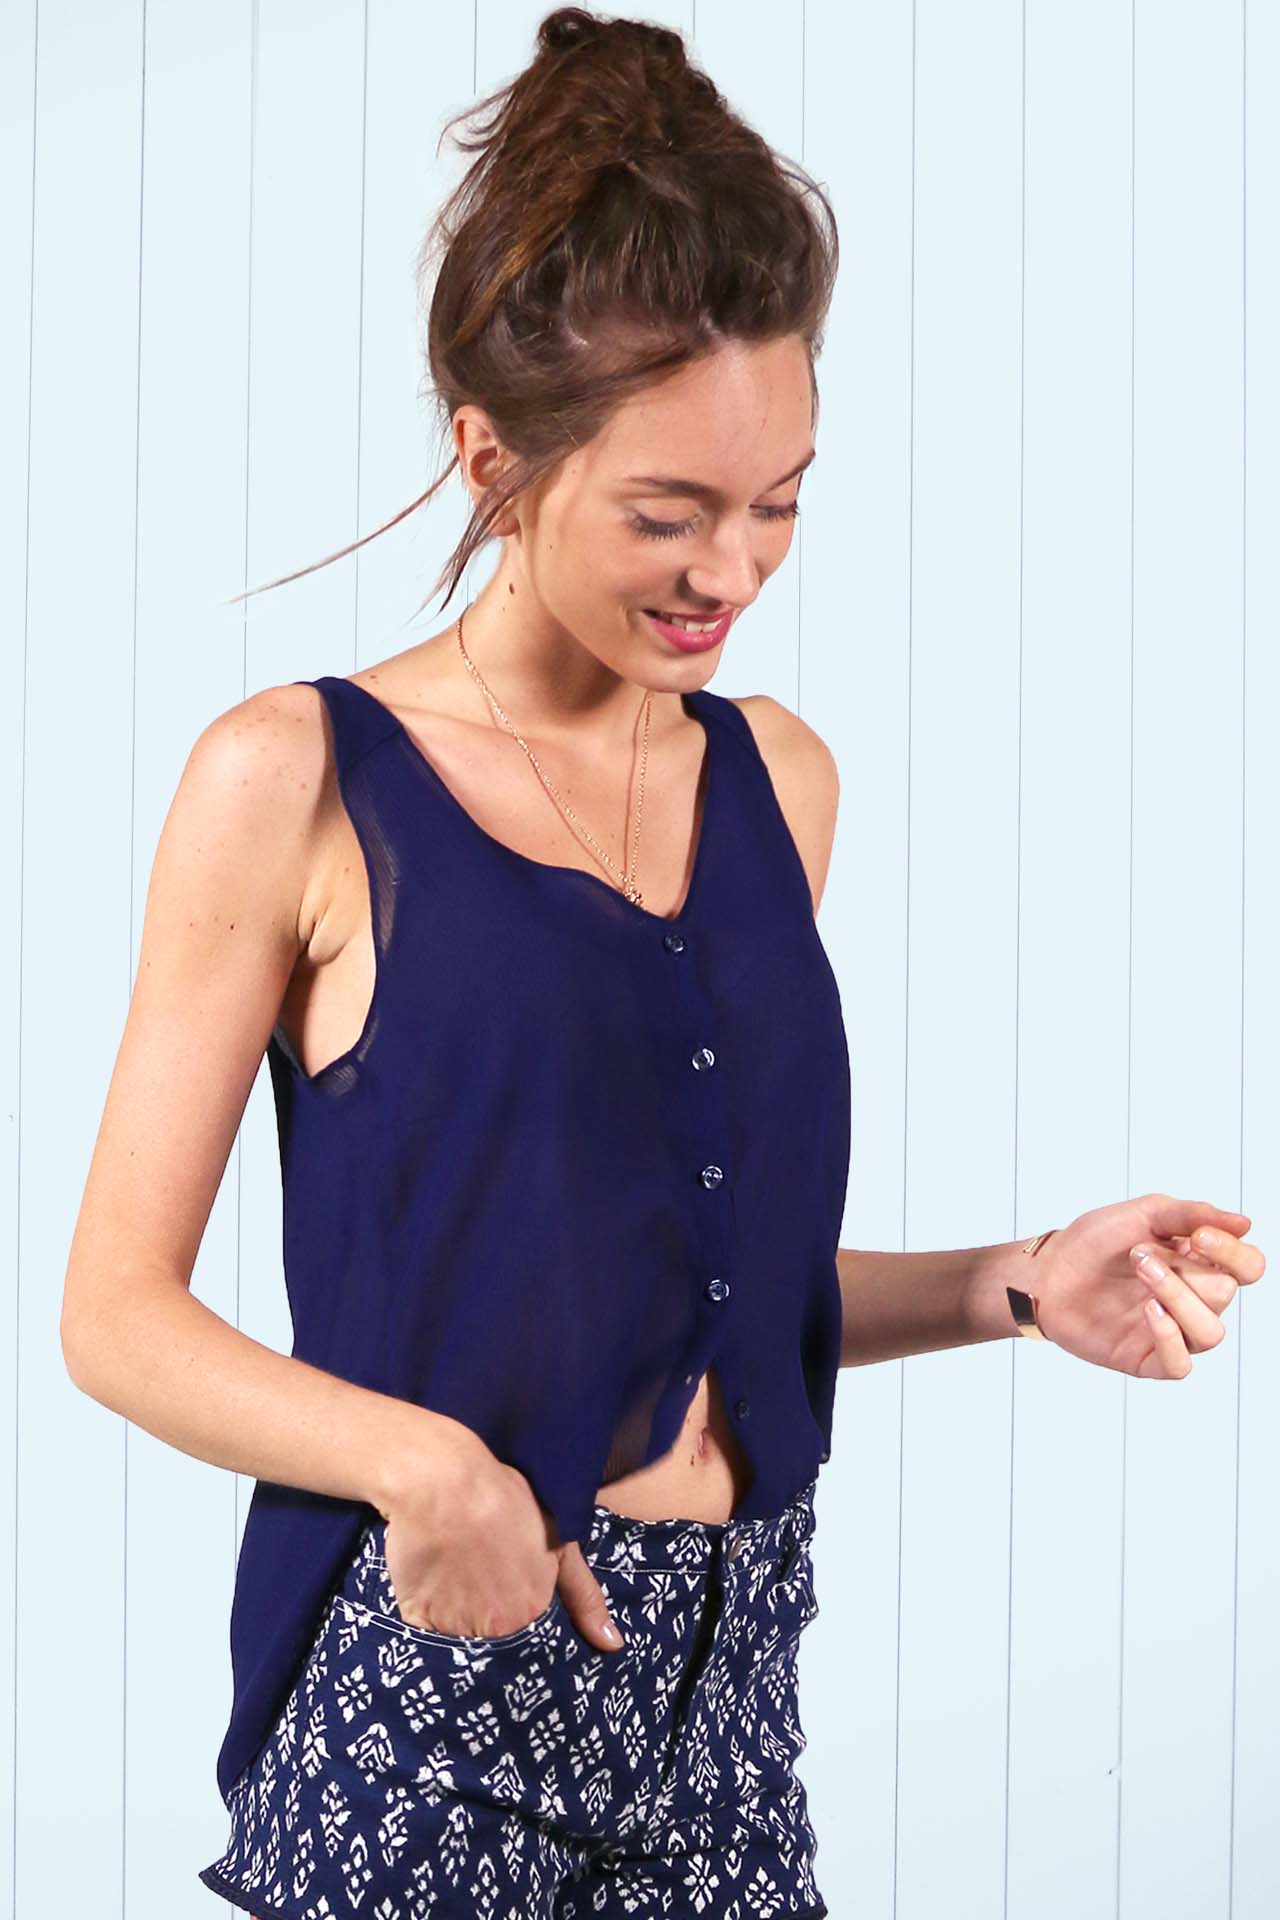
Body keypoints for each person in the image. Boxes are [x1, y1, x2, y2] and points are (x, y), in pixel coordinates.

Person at [59, 7, 1264, 1919]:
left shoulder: (777, 782)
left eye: (779, 501)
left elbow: (686, 1282)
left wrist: (1016, 1282)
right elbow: (114, 1314)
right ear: (493, 460)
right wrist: (426, 1473)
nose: (734, 570)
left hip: (733, 1694)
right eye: (668, 512)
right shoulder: (297, 779)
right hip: (434, 1684)